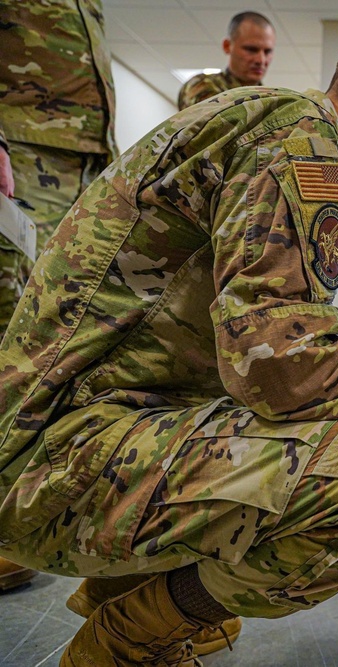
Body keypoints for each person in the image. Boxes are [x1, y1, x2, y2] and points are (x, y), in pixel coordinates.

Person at [0, 15, 338, 666]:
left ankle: (123, 585)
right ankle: (130, 638)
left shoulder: (279, 124)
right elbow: (280, 368)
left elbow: (257, 350)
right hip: (42, 467)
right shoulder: (301, 135)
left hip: (74, 436)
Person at [0, 0, 118, 597]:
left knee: (65, 341)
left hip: (83, 162)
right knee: (8, 332)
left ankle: (27, 510)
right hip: (19, 154)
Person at [176, 11, 276, 110]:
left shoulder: (273, 100)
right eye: (251, 49)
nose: (261, 60)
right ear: (227, 46)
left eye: (267, 52)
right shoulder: (202, 85)